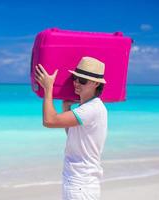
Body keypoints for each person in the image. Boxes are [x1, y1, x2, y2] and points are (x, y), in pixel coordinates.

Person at [35, 56, 108, 200]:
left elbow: (49, 121)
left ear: (95, 83)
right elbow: (75, 137)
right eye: (75, 78)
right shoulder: (90, 107)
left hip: (80, 184)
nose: (76, 83)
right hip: (81, 182)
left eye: (82, 80)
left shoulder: (90, 109)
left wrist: (48, 88)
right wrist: (66, 107)